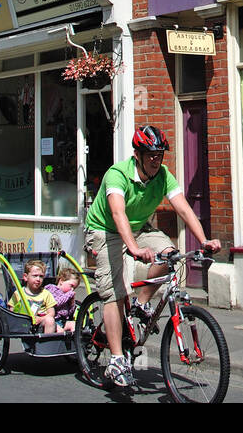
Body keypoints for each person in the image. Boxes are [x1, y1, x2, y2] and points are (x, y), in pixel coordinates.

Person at [83, 124, 220, 387]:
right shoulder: (117, 175)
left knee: (171, 255)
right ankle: (116, 359)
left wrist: (203, 240)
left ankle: (142, 304)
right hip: (105, 230)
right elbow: (117, 214)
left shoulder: (164, 175)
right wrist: (133, 248)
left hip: (138, 227)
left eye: (160, 154)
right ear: (138, 155)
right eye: (151, 154)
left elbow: (184, 208)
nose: (156, 159)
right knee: (114, 291)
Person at [10, 259, 58, 334]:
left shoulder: (46, 294)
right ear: (26, 277)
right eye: (35, 276)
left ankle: (47, 344)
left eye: (41, 276)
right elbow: (12, 310)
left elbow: (51, 313)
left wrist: (41, 319)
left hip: (41, 323)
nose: (38, 279)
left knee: (50, 320)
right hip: (24, 324)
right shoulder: (18, 293)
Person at [45, 266, 82, 335]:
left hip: (63, 321)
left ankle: (74, 342)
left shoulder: (67, 295)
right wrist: (68, 295)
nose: (72, 289)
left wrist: (71, 303)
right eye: (71, 286)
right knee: (61, 332)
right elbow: (55, 303)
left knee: (74, 324)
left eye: (74, 288)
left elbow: (69, 313)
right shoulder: (52, 289)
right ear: (61, 281)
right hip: (53, 321)